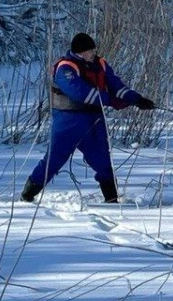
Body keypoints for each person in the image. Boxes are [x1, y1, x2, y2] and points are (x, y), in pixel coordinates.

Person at [21, 33, 156, 204]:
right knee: (54, 160)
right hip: (68, 122)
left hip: (94, 121)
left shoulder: (99, 64)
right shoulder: (65, 68)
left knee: (103, 160)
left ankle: (112, 200)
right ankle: (28, 194)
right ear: (80, 52)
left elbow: (116, 85)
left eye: (93, 50)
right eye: (90, 50)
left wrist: (136, 99)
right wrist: (112, 101)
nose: (93, 53)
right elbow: (81, 93)